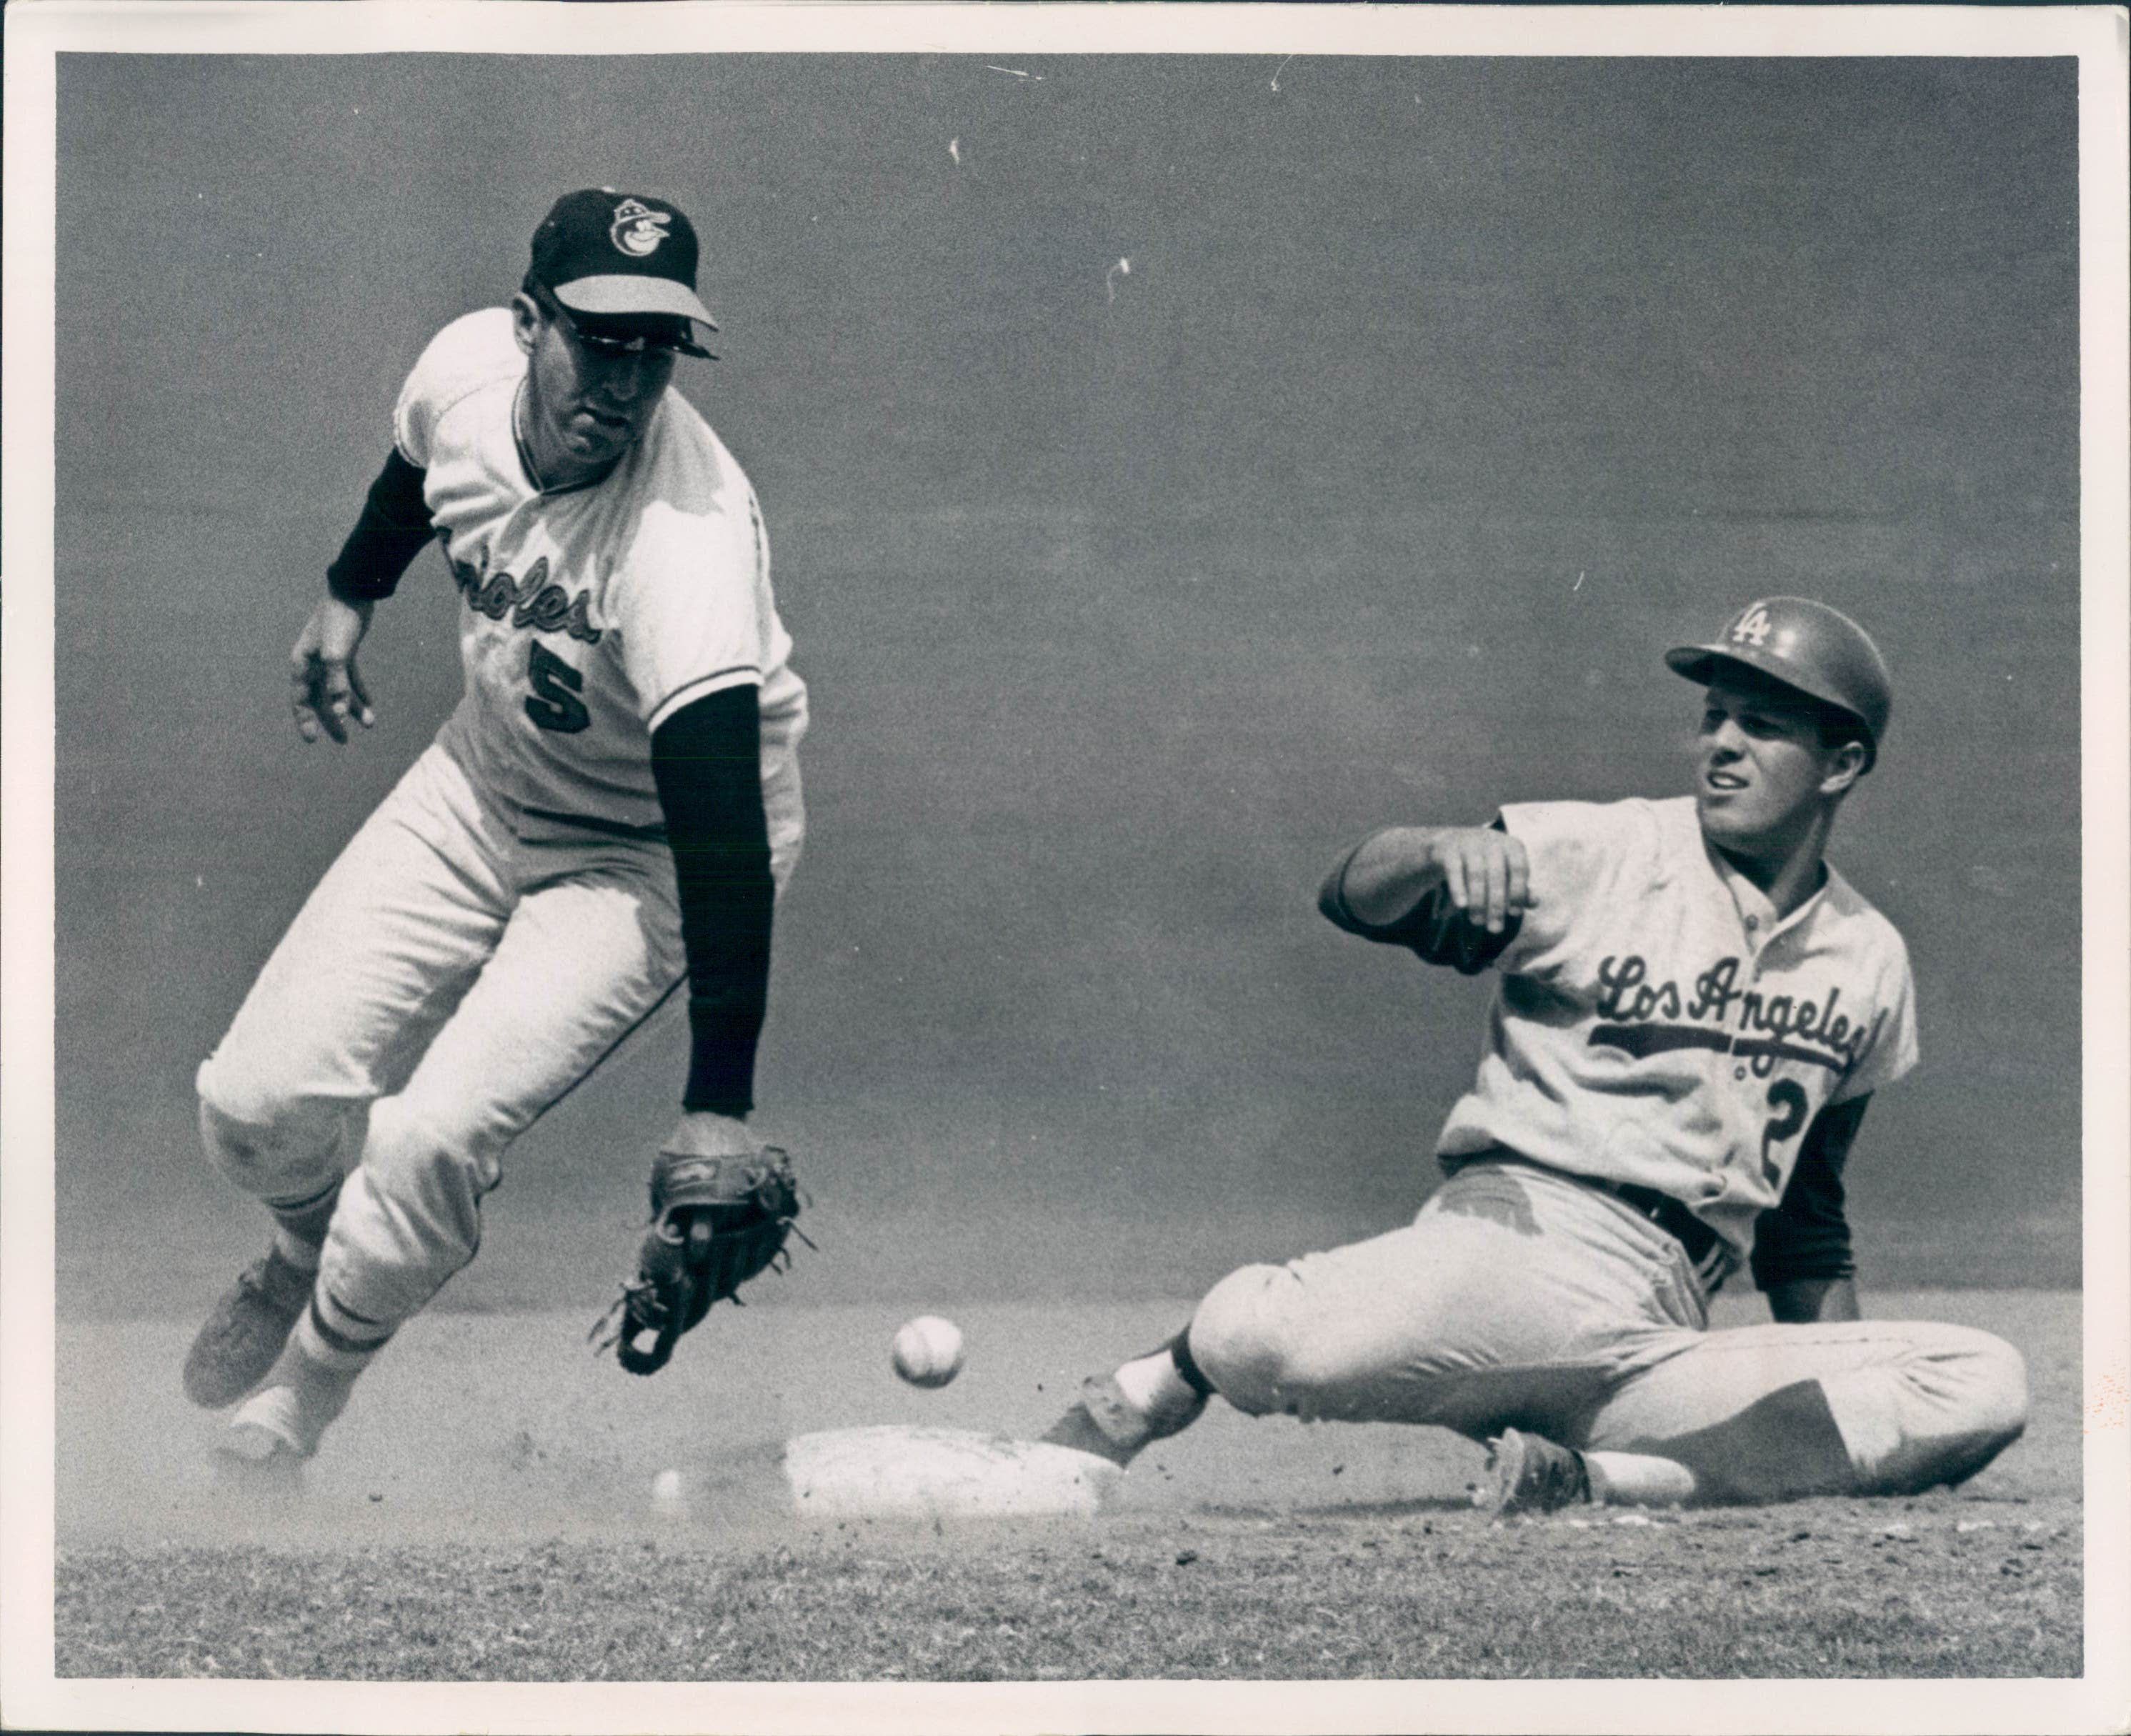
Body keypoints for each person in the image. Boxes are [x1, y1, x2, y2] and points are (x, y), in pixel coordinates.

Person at [1043, 598, 2029, 1511]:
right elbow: (1350, 895)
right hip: (1519, 1251)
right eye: (1716, 716)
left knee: (1981, 1378)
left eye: (1762, 726)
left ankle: (1590, 1480)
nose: (1721, 744)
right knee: (1266, 1338)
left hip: (1665, 1337)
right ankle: (1156, 1383)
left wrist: (1843, 1398)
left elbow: (1804, 1223)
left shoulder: (1869, 958)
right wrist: (1431, 846)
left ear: (1842, 763)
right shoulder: (1605, 852)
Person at [184, 189, 809, 1469]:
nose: (628, 377)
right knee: (254, 1104)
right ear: (529, 325)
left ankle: (296, 1405)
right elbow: (418, 476)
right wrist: (348, 598)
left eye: (657, 347)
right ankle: (302, 1251)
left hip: (646, 853)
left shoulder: (684, 534)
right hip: (484, 781)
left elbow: (723, 830)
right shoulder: (464, 369)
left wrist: (718, 1109)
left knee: (427, 1135)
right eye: (601, 337)